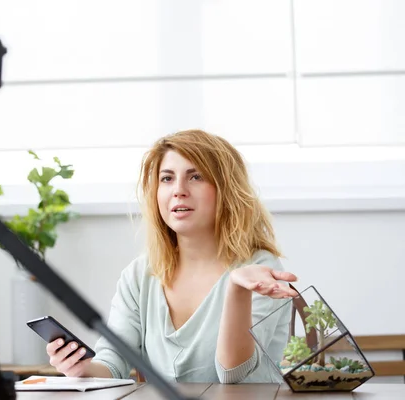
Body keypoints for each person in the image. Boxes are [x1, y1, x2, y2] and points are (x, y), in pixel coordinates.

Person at [45, 129, 298, 383]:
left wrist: (236, 290)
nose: (178, 190)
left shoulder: (260, 269)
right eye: (167, 179)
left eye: (196, 176)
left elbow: (233, 373)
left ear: (226, 190)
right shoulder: (139, 275)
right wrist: (81, 368)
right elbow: (113, 360)